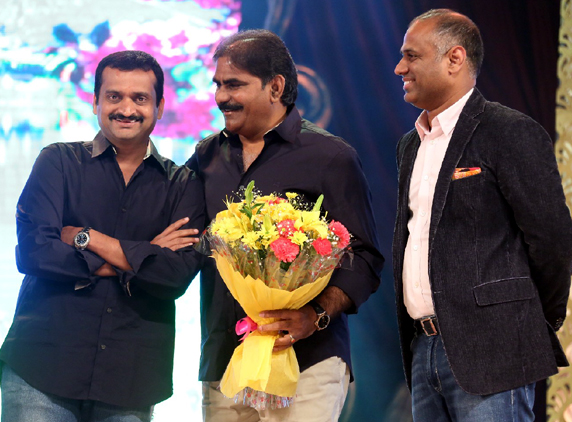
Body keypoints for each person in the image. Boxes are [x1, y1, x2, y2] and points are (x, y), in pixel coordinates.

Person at [186, 29, 384, 422]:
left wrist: (316, 315)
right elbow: (186, 238)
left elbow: (364, 257)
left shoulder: (330, 156)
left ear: (275, 87)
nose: (221, 96)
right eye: (218, 85)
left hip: (306, 362)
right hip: (226, 362)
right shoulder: (206, 155)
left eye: (234, 84)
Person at [0, 50, 204, 422]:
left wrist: (87, 238)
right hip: (41, 368)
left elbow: (173, 277)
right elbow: (36, 253)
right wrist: (144, 255)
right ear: (95, 102)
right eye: (114, 96)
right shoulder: (58, 161)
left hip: (130, 379)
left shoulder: (184, 184)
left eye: (139, 98)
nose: (126, 109)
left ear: (159, 106)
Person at [392, 8, 572, 422]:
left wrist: (523, 319)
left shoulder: (507, 130)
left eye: (412, 56)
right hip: (423, 349)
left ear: (454, 59)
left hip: (495, 349)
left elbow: (553, 240)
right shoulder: (409, 146)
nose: (400, 68)